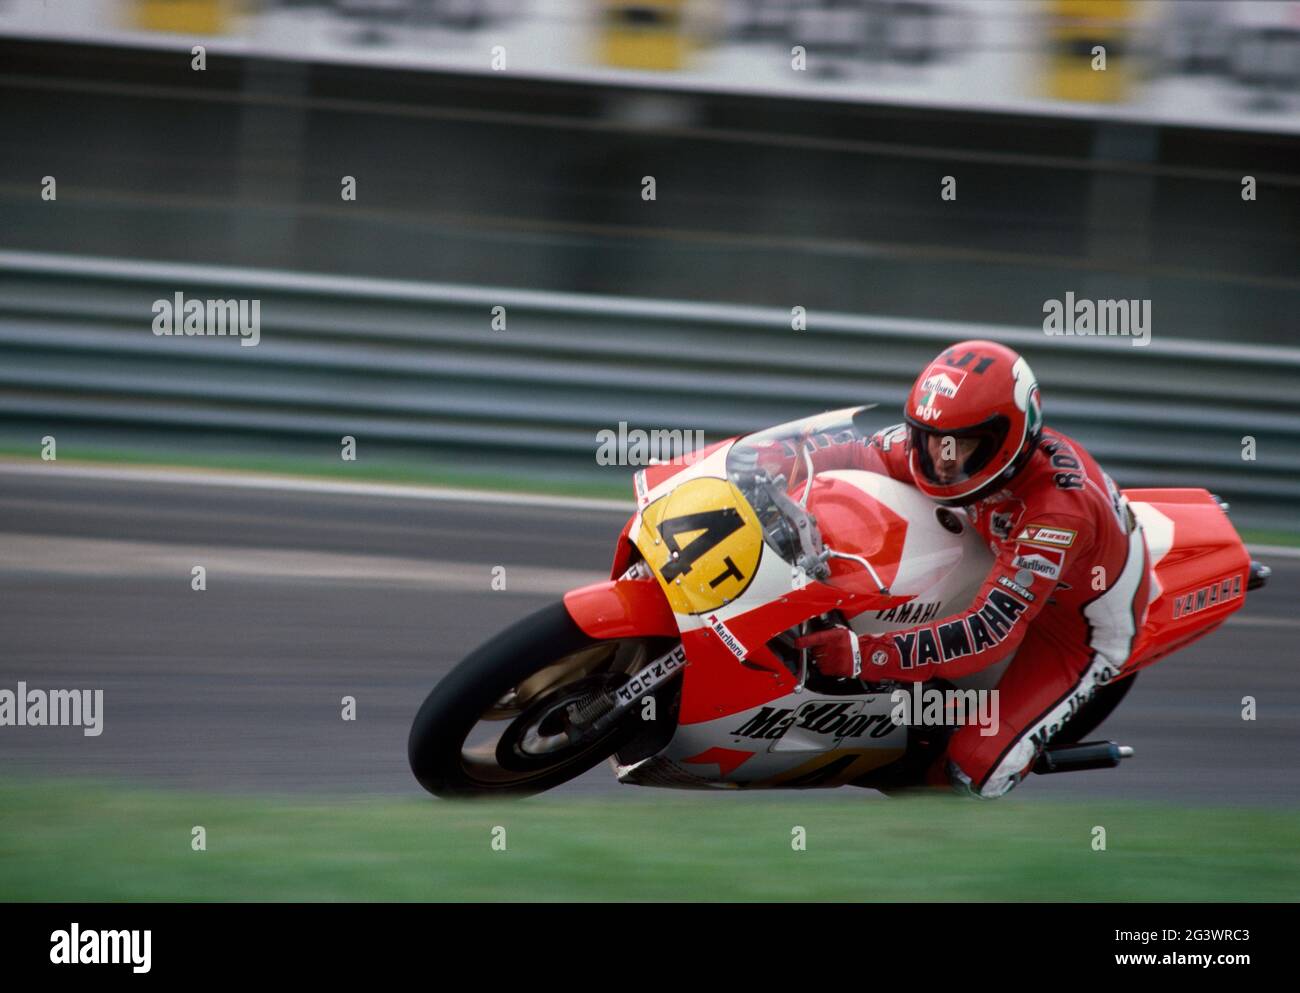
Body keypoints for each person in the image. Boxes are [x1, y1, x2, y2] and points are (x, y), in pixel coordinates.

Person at [791, 339, 1150, 798]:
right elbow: (855, 452)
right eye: (931, 438)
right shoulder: (935, 449)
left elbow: (992, 630)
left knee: (972, 770)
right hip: (1004, 565)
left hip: (1074, 629)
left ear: (1009, 440)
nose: (942, 461)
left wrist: (866, 655)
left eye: (962, 445)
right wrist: (768, 465)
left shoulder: (1055, 514)